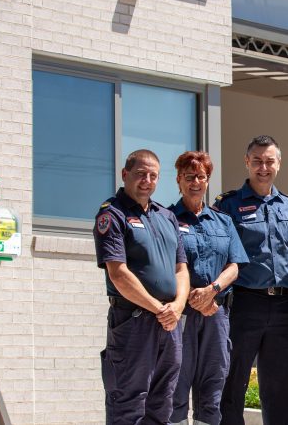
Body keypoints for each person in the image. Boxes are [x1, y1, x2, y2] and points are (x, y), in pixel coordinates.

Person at [216, 135, 288, 425]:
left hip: (285, 306)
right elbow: (221, 256)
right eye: (257, 161)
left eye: (269, 161)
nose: (263, 167)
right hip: (244, 303)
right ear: (247, 162)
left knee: (281, 385)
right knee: (233, 379)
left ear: (279, 164)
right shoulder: (228, 205)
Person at [93, 149, 189, 424]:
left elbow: (181, 268)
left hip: (169, 324)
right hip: (133, 322)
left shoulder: (167, 216)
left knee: (162, 403)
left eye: (153, 175)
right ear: (125, 175)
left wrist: (178, 306)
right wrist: (160, 308)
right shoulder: (112, 214)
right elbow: (118, 273)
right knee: (128, 405)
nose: (147, 180)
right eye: (140, 174)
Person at [169, 151, 250, 425]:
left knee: (213, 390)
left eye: (201, 177)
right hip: (181, 316)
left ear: (208, 180)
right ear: (179, 180)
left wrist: (212, 290)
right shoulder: (166, 219)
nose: (195, 182)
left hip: (216, 315)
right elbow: (163, 266)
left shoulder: (223, 221)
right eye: (189, 177)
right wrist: (194, 297)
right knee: (176, 387)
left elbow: (235, 265)